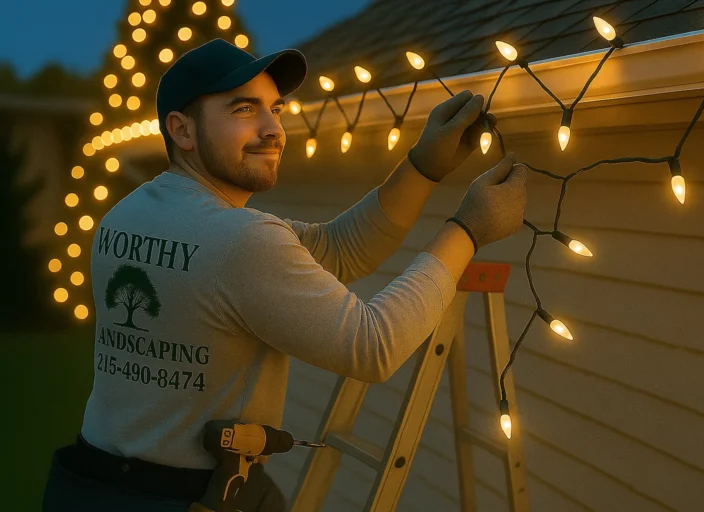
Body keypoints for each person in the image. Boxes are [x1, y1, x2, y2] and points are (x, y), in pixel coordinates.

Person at [41, 38, 527, 511]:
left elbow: (341, 249)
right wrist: (468, 230)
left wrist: (422, 168)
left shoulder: (125, 216)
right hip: (184, 496)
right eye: (243, 110)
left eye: (276, 109)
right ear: (182, 131)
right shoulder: (238, 239)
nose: (273, 128)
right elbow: (373, 345)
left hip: (89, 483)